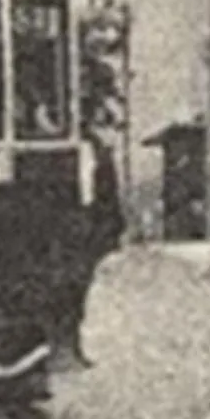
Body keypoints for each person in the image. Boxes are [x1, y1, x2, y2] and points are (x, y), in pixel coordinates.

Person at [55, 120, 126, 369]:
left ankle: (72, 345)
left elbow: (108, 196)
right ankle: (65, 346)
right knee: (70, 288)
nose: (113, 134)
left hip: (92, 227)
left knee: (79, 289)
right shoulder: (80, 150)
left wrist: (112, 227)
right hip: (77, 226)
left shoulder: (101, 154)